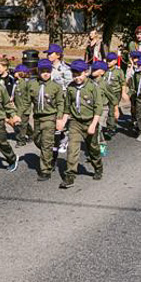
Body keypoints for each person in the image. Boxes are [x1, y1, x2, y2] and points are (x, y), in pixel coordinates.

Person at [59, 60, 103, 188]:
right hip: (75, 122)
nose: (77, 77)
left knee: (93, 148)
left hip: (90, 121)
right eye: (74, 75)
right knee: (72, 149)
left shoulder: (93, 87)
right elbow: (67, 106)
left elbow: (98, 107)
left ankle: (98, 167)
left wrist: (93, 125)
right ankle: (70, 176)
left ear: (86, 73)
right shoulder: (71, 87)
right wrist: (63, 121)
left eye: (79, 74)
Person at [28, 60, 66, 181]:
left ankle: (45, 170)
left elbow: (61, 103)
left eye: (48, 72)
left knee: (46, 143)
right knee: (36, 139)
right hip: (37, 118)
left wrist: (59, 118)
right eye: (43, 71)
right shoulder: (32, 85)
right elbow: (27, 101)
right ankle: (50, 155)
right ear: (38, 71)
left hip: (50, 117)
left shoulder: (56, 87)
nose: (45, 74)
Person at [103, 52, 125, 138]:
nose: (108, 62)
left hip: (115, 93)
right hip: (105, 93)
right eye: (107, 60)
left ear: (115, 61)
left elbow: (123, 83)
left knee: (111, 110)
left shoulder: (119, 71)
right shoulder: (104, 70)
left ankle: (111, 127)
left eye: (110, 61)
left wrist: (123, 93)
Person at [12, 64, 32, 146]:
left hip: (23, 108)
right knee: (25, 124)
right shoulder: (17, 82)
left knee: (21, 125)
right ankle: (32, 134)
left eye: (16, 72)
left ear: (21, 73)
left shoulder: (23, 84)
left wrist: (22, 109)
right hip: (18, 107)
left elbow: (25, 98)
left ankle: (21, 140)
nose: (14, 73)